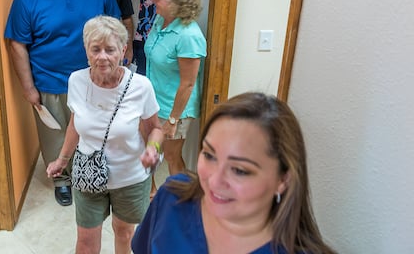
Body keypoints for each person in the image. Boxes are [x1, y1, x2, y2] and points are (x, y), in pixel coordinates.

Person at [132, 92, 338, 254]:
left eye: (240, 170)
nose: (215, 180)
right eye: (210, 155)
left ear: (283, 180)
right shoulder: (172, 197)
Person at [4, 0, 121, 207]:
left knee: (95, 130)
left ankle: (94, 174)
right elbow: (17, 44)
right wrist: (28, 88)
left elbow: (114, 26)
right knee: (55, 134)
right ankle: (62, 179)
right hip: (50, 80)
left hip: (95, 80)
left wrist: (117, 68)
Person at [46, 16, 164, 254]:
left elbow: (155, 129)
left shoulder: (141, 86)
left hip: (130, 177)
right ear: (86, 51)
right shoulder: (77, 81)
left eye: (110, 50)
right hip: (88, 174)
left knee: (124, 234)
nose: (102, 56)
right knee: (86, 243)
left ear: (122, 50)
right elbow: (74, 125)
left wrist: (153, 149)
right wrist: (62, 160)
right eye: (95, 49)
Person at [141, 0, 207, 178]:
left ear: (176, 1)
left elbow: (188, 84)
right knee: (147, 150)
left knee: (170, 156)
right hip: (154, 101)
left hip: (173, 109)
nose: (152, 1)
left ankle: (179, 200)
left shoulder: (189, 35)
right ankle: (149, 194)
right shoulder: (161, 20)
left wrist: (172, 121)